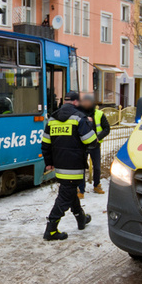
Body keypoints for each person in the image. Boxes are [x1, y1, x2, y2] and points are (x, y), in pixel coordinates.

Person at [41, 91, 98, 241]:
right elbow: (91, 141)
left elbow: (45, 144)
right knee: (65, 197)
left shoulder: (52, 118)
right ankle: (51, 229)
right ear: (75, 102)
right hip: (74, 166)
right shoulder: (79, 118)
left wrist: (49, 163)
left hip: (60, 166)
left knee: (70, 192)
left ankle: (81, 218)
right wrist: (90, 126)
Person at [77, 94, 110, 197]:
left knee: (97, 167)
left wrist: (98, 138)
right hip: (83, 145)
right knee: (81, 167)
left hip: (95, 145)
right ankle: (81, 190)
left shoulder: (99, 114)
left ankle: (97, 185)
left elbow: (107, 128)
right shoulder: (79, 115)